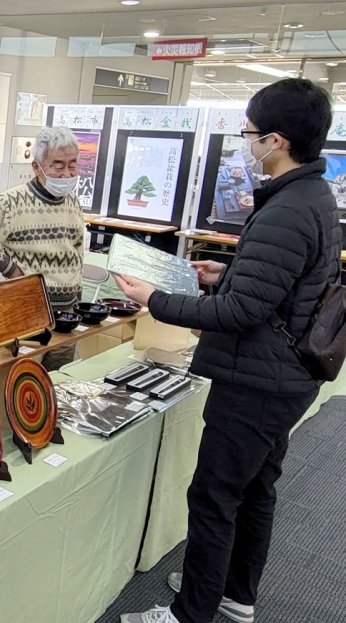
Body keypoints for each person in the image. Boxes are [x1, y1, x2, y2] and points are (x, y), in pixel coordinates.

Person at [117, 78, 341, 623]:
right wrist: (228, 273)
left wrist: (157, 299)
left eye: (250, 133)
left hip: (258, 381)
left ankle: (190, 611)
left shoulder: (288, 208)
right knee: (256, 487)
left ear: (277, 140)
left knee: (216, 496)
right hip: (284, 375)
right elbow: (280, 291)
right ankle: (233, 592)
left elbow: (241, 314)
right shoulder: (312, 196)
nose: (246, 143)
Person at [0, 126, 84, 370]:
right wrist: (10, 269)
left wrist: (77, 303)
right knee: (23, 387)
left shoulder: (72, 201)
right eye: (58, 164)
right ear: (37, 167)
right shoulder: (11, 202)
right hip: (27, 313)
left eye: (72, 164)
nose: (67, 173)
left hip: (65, 316)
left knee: (56, 385)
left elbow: (76, 252)